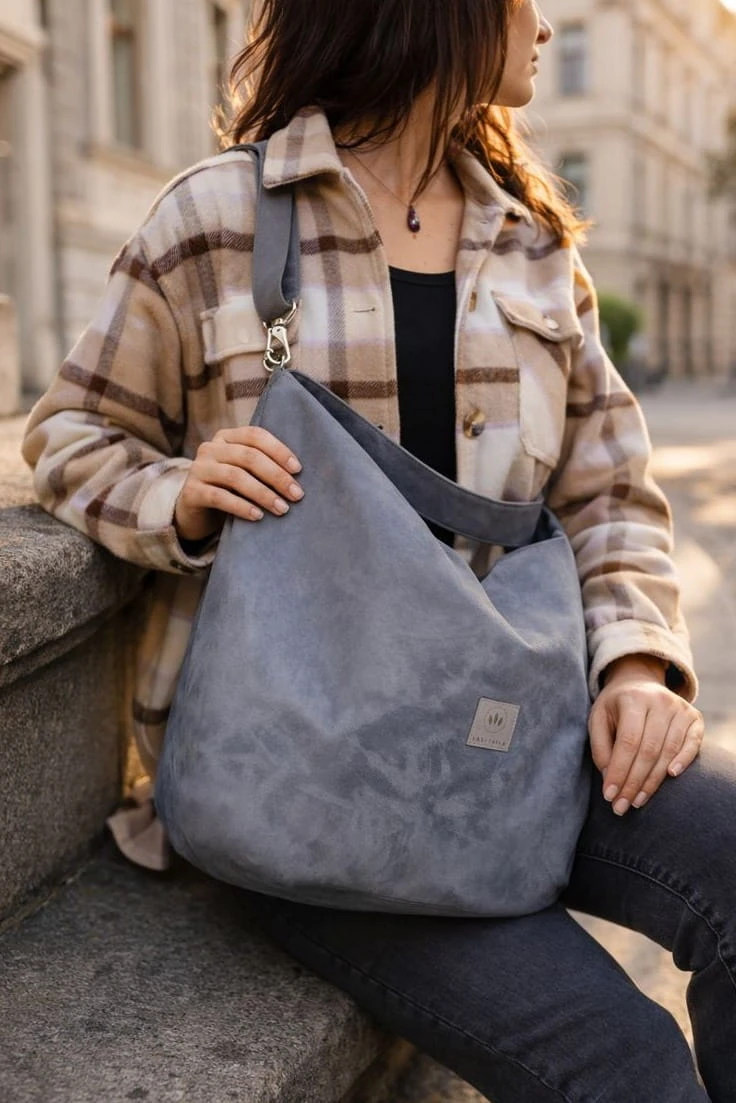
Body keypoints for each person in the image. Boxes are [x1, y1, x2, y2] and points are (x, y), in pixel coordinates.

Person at [20, 1, 736, 1099]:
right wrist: (180, 493)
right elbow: (70, 432)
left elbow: (608, 493)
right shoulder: (218, 216)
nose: (545, 25)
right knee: (626, 1061)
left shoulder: (534, 242)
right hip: (311, 777)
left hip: (517, 729)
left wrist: (636, 662)